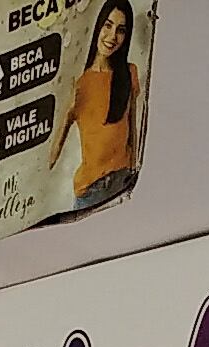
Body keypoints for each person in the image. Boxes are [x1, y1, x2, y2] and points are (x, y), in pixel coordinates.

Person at [55, 0, 143, 209]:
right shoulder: (80, 83)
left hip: (124, 180)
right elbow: (52, 156)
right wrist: (67, 114)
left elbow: (133, 127)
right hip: (90, 190)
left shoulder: (128, 73)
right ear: (98, 27)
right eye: (108, 25)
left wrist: (133, 167)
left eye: (121, 30)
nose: (112, 37)